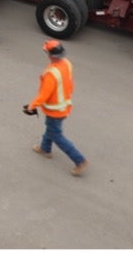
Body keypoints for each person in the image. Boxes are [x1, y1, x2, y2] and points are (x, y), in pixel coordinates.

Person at [24, 40, 88, 177]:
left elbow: (43, 95)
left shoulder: (51, 74)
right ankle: (45, 148)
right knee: (51, 129)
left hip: (55, 110)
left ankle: (80, 160)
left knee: (56, 135)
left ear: (51, 55)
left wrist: (32, 105)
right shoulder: (67, 64)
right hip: (64, 105)